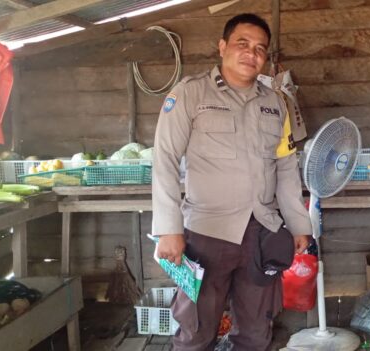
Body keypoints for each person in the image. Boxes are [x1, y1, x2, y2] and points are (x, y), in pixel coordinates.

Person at [151, 13, 312, 351]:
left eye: (259, 49)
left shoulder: (275, 104)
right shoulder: (191, 94)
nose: (251, 53)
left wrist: (299, 224)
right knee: (196, 331)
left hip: (261, 235)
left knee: (255, 333)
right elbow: (164, 158)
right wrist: (169, 228)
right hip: (207, 234)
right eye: (243, 43)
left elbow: (285, 167)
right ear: (222, 46)